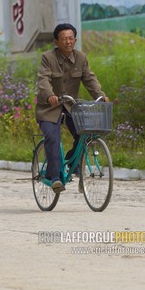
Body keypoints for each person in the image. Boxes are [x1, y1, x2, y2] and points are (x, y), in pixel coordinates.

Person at [35, 23, 109, 193]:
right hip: (49, 108)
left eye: (71, 38)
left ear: (75, 40)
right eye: (64, 39)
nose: (68, 42)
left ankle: (73, 163)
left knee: (85, 134)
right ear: (56, 41)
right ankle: (55, 177)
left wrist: (100, 95)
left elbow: (89, 79)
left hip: (70, 106)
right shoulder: (48, 57)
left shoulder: (81, 58)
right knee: (53, 138)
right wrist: (49, 95)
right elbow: (43, 79)